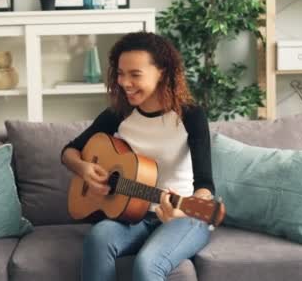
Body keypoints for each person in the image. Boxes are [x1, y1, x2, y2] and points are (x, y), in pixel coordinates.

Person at [61, 32, 214, 281]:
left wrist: (184, 210)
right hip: (130, 216)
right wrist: (83, 169)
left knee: (147, 264)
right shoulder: (117, 114)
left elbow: (205, 186)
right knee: (98, 238)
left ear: (162, 72)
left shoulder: (190, 116)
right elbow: (68, 151)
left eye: (135, 74)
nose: (125, 82)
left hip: (184, 216)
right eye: (121, 74)